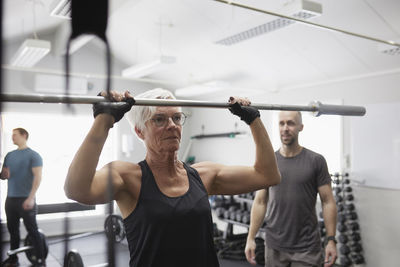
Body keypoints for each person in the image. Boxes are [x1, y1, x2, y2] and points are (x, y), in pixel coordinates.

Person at [64, 88, 281, 267]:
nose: (172, 126)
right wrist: (103, 121)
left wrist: (254, 120)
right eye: (159, 119)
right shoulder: (127, 177)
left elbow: (268, 175)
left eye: (176, 117)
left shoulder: (204, 175)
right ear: (140, 131)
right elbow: (76, 189)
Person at [244, 111, 338, 267]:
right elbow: (260, 201)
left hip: (307, 248)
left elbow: (328, 201)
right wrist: (250, 238)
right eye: (281, 123)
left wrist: (331, 240)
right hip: (274, 247)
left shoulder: (316, 161)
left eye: (290, 123)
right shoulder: (269, 161)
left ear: (301, 127)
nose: (285, 128)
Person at [0, 128, 46, 267]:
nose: (12, 137)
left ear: (24, 135)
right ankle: (13, 259)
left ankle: (40, 260)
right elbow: (3, 176)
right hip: (10, 199)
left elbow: (38, 178)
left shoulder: (34, 155)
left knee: (32, 230)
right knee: (13, 232)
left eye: (15, 135)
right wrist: (3, 175)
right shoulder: (9, 155)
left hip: (26, 199)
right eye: (12, 135)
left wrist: (31, 198)